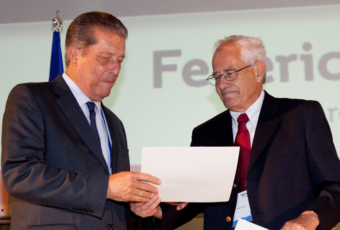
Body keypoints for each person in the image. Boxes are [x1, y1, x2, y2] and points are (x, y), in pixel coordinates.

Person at [130, 35, 340, 230]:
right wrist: (156, 211)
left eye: (230, 74)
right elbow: (193, 199)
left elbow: (335, 185)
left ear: (258, 71)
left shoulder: (301, 116)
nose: (221, 84)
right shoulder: (206, 133)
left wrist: (312, 216)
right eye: (217, 76)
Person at [1, 11, 161, 230]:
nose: (115, 69)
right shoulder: (32, 98)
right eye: (105, 58)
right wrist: (106, 187)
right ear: (74, 55)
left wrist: (135, 205)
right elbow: (20, 174)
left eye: (120, 60)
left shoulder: (114, 123)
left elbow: (111, 200)